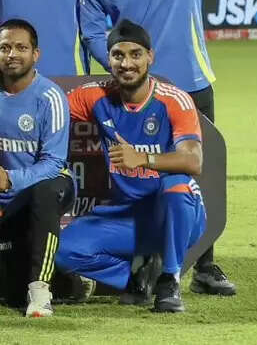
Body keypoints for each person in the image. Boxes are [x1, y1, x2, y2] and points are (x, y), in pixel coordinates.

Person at [78, 0, 247, 296]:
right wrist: (121, 63)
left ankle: (204, 265)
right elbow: (92, 31)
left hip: (191, 81)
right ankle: (147, 256)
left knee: (200, 173)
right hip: (139, 92)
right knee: (137, 171)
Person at [56, 21, 208, 313]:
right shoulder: (95, 96)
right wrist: (2, 83)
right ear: (109, 59)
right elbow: (47, 108)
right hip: (127, 215)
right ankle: (138, 278)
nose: (126, 64)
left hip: (176, 215)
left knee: (176, 184)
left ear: (150, 57)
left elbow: (193, 161)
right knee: (64, 251)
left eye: (135, 55)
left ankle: (170, 279)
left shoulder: (173, 100)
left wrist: (143, 158)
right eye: (118, 55)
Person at [0, 19, 72, 317]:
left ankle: (41, 291)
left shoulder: (50, 97)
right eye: (5, 48)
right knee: (13, 293)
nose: (12, 54)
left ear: (35, 54)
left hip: (50, 184)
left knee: (44, 191)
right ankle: (70, 283)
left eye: (21, 48)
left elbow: (54, 162)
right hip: (5, 191)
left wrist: (10, 179)